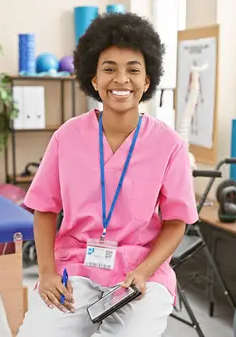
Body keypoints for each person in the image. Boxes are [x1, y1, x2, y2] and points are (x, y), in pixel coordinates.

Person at [17, 12, 198, 337]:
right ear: (94, 78)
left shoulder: (169, 145)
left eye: (133, 70)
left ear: (147, 81)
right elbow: (45, 209)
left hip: (140, 273)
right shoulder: (67, 137)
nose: (121, 80)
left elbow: (176, 223)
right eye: (109, 69)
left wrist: (144, 271)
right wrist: (46, 272)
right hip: (76, 264)